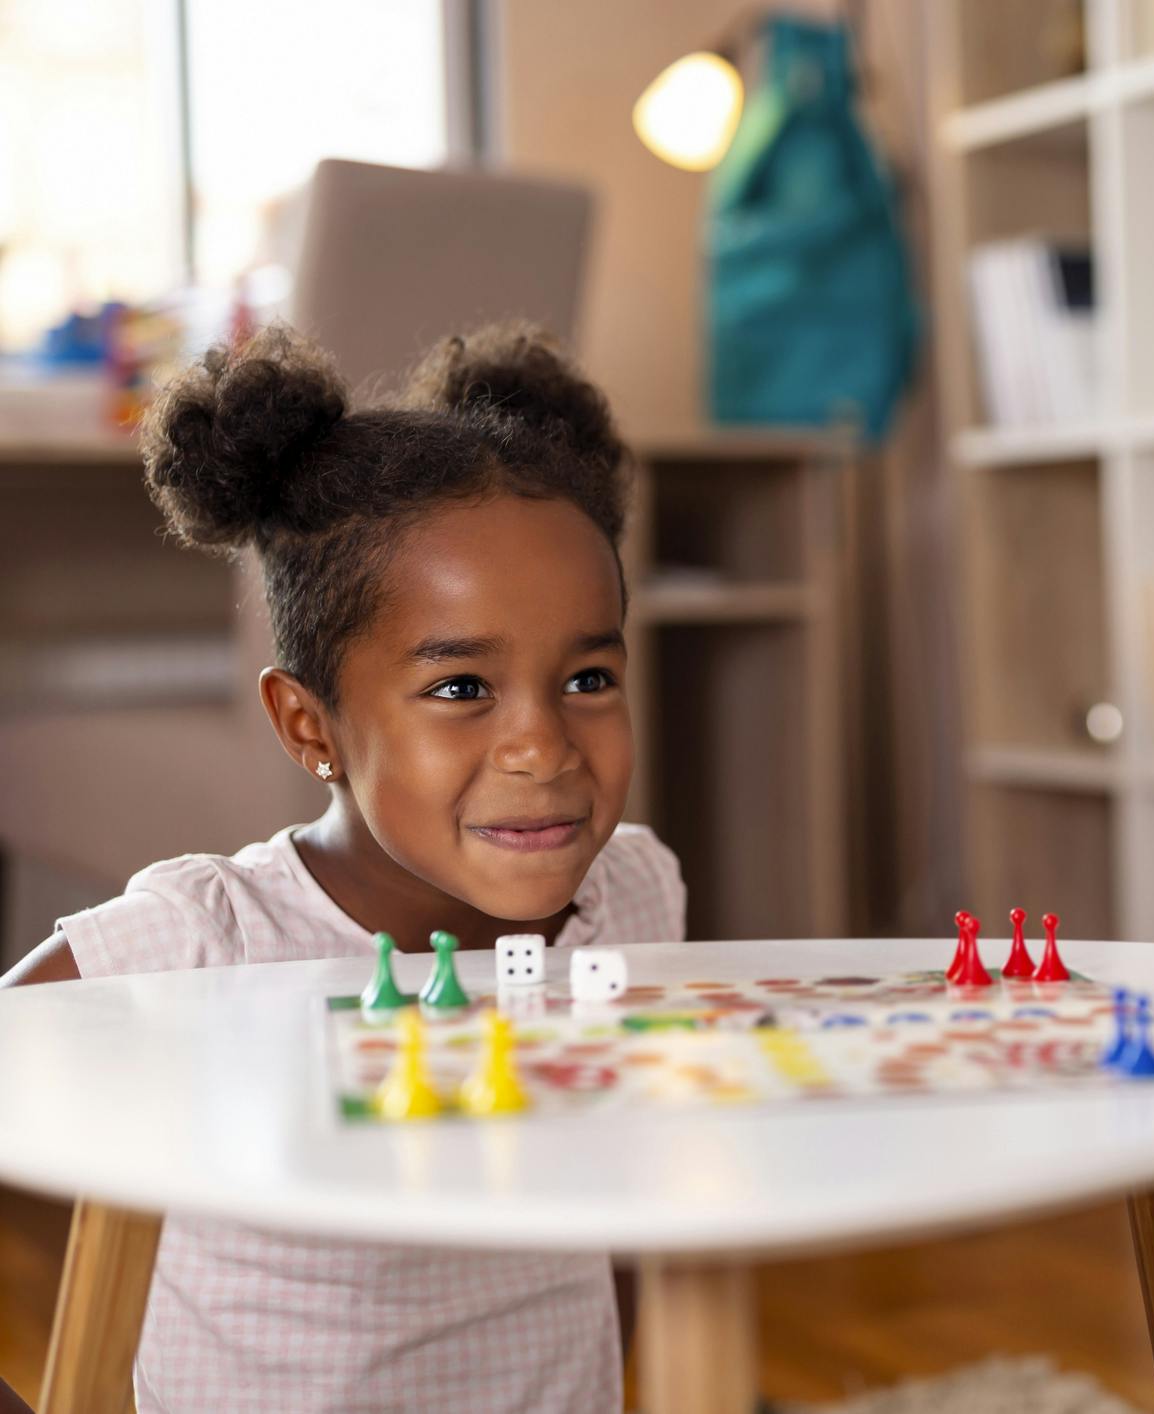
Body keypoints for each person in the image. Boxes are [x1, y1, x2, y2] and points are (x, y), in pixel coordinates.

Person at [1, 323, 682, 1413]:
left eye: (589, 676)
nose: (544, 746)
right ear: (308, 724)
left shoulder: (638, 894)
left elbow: (632, 1226)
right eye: (462, 688)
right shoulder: (202, 943)